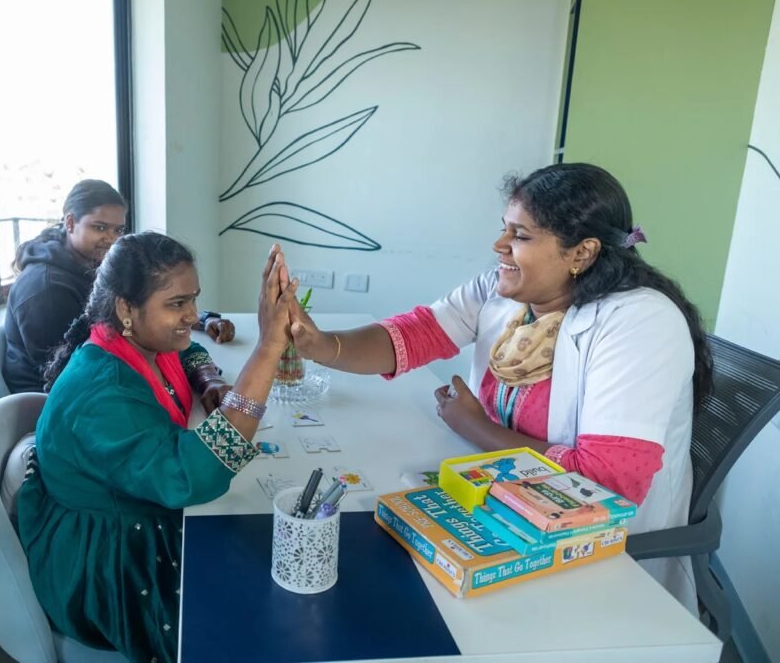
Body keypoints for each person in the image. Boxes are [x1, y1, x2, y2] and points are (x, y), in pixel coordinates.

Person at [285, 163, 711, 610]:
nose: (499, 246)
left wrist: (475, 427)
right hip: (506, 505)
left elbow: (603, 482)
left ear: (582, 253)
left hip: (595, 551)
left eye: (520, 236)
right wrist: (319, 345)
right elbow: (416, 333)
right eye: (504, 228)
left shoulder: (639, 324)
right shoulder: (505, 290)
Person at [17, 233, 296, 662]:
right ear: (125, 308)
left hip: (131, 516)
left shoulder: (141, 343)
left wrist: (209, 381)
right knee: (255, 612)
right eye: (177, 303)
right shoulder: (103, 392)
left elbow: (190, 352)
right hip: (107, 564)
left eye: (193, 300)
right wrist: (268, 348)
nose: (193, 315)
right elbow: (191, 477)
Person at [2, 179, 235, 394]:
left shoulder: (90, 262)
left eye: (119, 230)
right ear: (70, 223)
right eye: (100, 227)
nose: (112, 239)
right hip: (55, 400)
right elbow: (64, 371)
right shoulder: (46, 291)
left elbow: (144, 305)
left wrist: (201, 324)